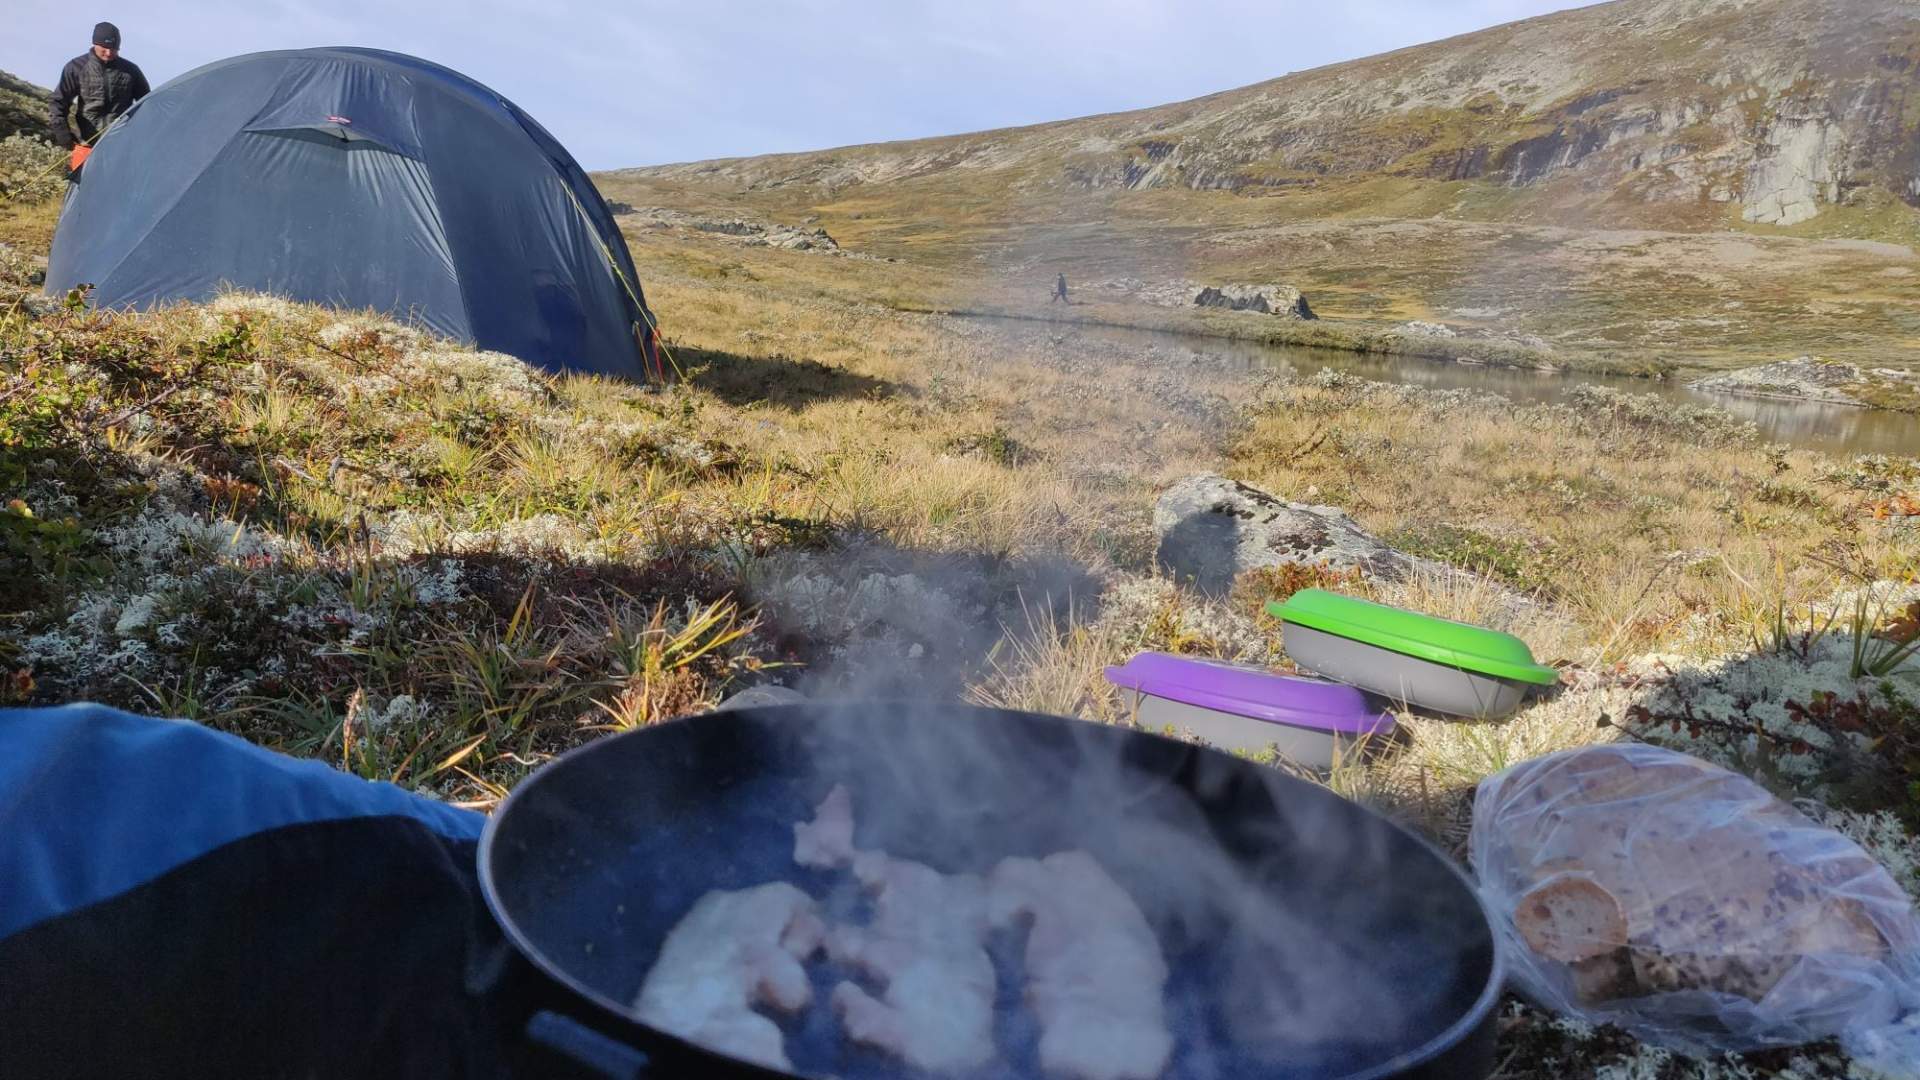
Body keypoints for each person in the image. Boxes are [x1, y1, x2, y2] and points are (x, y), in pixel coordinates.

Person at [48, 21, 149, 177]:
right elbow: (58, 103)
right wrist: (64, 136)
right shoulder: (76, 67)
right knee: (83, 188)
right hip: (84, 145)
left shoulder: (131, 71)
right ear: (95, 43)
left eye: (114, 49)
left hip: (121, 146)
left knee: (119, 185)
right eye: (104, 48)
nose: (108, 53)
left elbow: (147, 103)